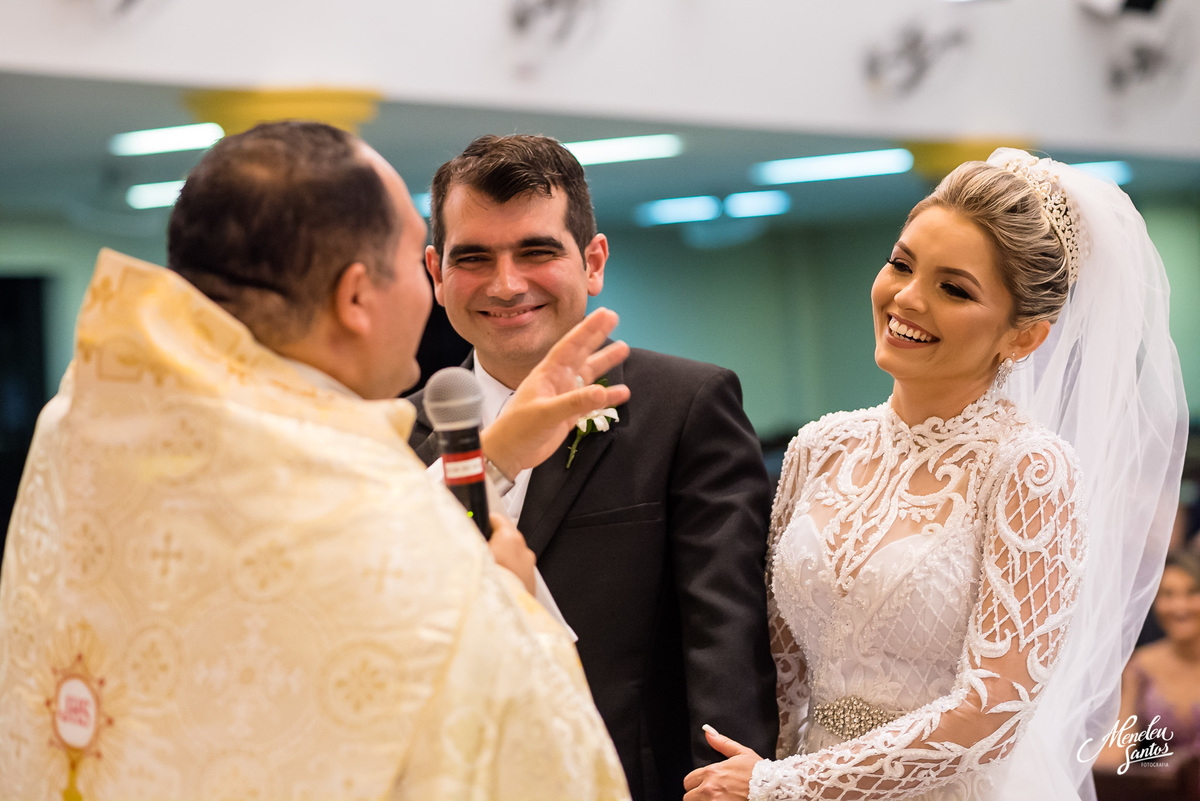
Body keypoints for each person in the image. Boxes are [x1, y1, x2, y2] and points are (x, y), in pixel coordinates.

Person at [0, 121, 633, 800]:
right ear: (357, 296)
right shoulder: (402, 536)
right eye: (415, 263)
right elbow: (551, 766)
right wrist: (512, 602)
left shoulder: (80, 422)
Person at [684, 148, 1187, 800]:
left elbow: (993, 708)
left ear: (1024, 337)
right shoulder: (818, 447)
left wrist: (788, 783)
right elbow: (785, 666)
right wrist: (771, 773)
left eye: (955, 288)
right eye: (900, 263)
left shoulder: (1028, 468)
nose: (907, 297)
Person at [407, 134, 778, 800]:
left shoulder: (684, 407)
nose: (506, 283)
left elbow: (725, 640)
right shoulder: (393, 435)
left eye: (536, 250)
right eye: (473, 258)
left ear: (593, 260)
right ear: (436, 274)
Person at [1099, 549, 1200, 770]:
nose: (1178, 606)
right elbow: (1119, 742)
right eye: (1167, 594)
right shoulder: (1141, 666)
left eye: (1192, 592)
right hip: (1170, 790)